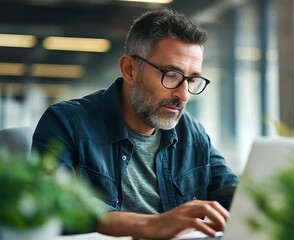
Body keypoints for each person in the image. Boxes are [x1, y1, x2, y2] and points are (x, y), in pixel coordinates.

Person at [31, 8, 238, 239]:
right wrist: (150, 225)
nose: (184, 94)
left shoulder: (191, 132)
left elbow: (231, 193)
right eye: (171, 75)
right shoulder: (65, 122)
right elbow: (53, 202)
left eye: (192, 80)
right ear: (130, 69)